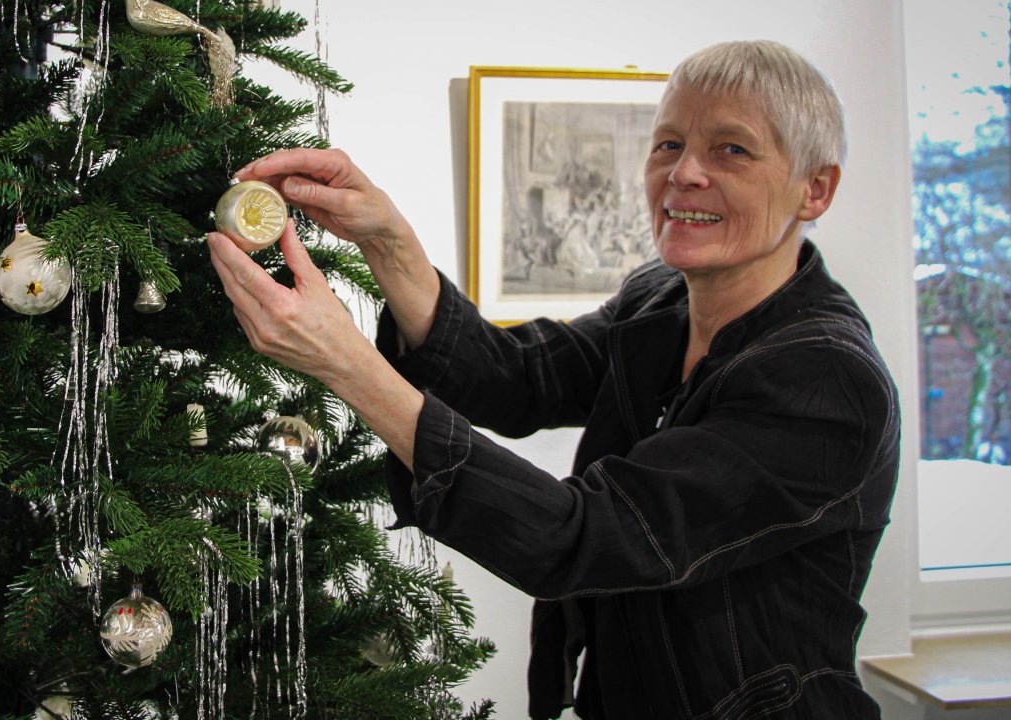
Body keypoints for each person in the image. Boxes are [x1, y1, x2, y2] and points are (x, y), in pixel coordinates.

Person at [207, 39, 900, 720]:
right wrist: (387, 238)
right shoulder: (660, 298)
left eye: (732, 150)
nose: (684, 173)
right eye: (667, 144)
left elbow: (584, 536)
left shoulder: (828, 382)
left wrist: (346, 361)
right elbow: (516, 378)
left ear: (815, 189)